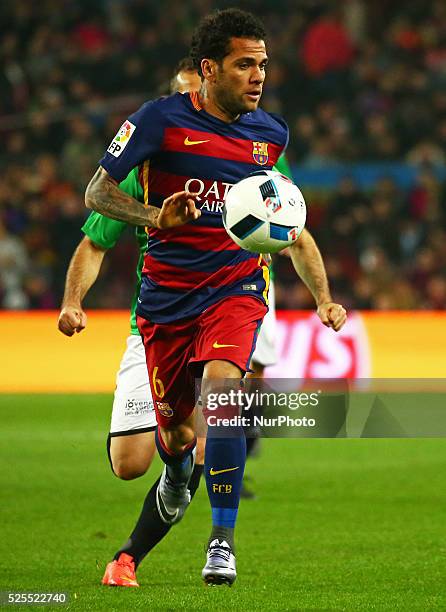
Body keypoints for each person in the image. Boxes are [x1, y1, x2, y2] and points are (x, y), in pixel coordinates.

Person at [85, 8, 346, 585]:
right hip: (165, 301)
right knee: (176, 436)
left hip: (237, 288)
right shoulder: (157, 121)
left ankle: (221, 542)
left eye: (263, 65)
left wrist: (324, 297)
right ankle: (177, 477)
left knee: (224, 393)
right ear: (209, 68)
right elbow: (97, 192)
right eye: (244, 64)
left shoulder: (270, 135)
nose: (258, 76)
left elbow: (292, 227)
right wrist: (157, 215)